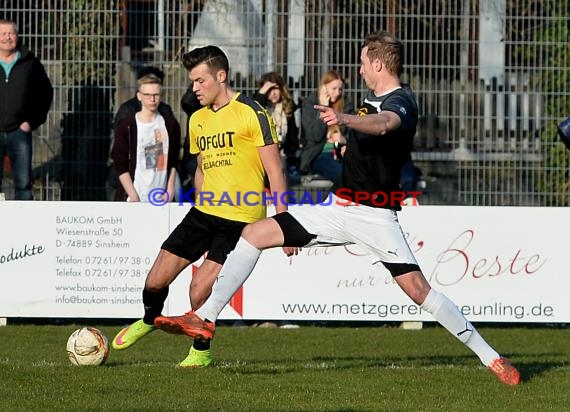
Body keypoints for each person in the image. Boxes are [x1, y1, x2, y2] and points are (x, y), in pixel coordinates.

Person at [153, 31, 521, 386]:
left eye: (363, 62)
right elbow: (369, 141)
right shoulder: (367, 100)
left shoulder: (401, 101)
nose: (359, 69)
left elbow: (384, 125)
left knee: (419, 291)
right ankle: (205, 319)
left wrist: (345, 120)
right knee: (254, 233)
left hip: (374, 217)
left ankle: (491, 356)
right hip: (336, 208)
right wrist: (346, 144)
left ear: (378, 64)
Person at [111, 45, 288, 368]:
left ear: (221, 76)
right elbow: (203, 167)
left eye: (200, 81)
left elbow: (275, 169)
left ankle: (201, 351)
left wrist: (284, 224)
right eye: (192, 82)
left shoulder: (252, 112)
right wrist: (199, 200)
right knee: (154, 281)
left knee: (199, 289)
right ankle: (150, 319)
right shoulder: (198, 119)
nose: (194, 88)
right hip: (203, 213)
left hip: (240, 220)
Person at [0, 18, 53, 200]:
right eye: (3, 34)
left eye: (11, 33)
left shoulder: (30, 62)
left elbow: (45, 93)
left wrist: (32, 121)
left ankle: (23, 226)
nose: (8, 37)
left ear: (17, 36)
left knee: (23, 185)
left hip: (19, 131)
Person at [111, 73, 180, 202]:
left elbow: (174, 160)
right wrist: (133, 195)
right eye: (147, 95)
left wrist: (170, 190)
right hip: (134, 197)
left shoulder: (170, 124)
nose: (152, 99)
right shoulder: (127, 125)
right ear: (139, 96)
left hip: (161, 198)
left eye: (156, 95)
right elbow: (120, 163)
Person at [299, 70, 353, 182]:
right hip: (319, 154)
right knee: (343, 176)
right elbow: (314, 136)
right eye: (334, 88)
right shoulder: (310, 104)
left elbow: (354, 133)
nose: (338, 92)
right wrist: (323, 107)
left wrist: (344, 139)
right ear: (323, 88)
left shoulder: (346, 105)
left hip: (342, 153)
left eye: (340, 89)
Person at [253, 71, 299, 180]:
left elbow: (293, 139)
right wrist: (262, 92)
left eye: (276, 88)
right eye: (269, 90)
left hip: (282, 154)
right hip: (260, 153)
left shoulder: (289, 107)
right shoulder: (261, 107)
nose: (273, 93)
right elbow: (254, 108)